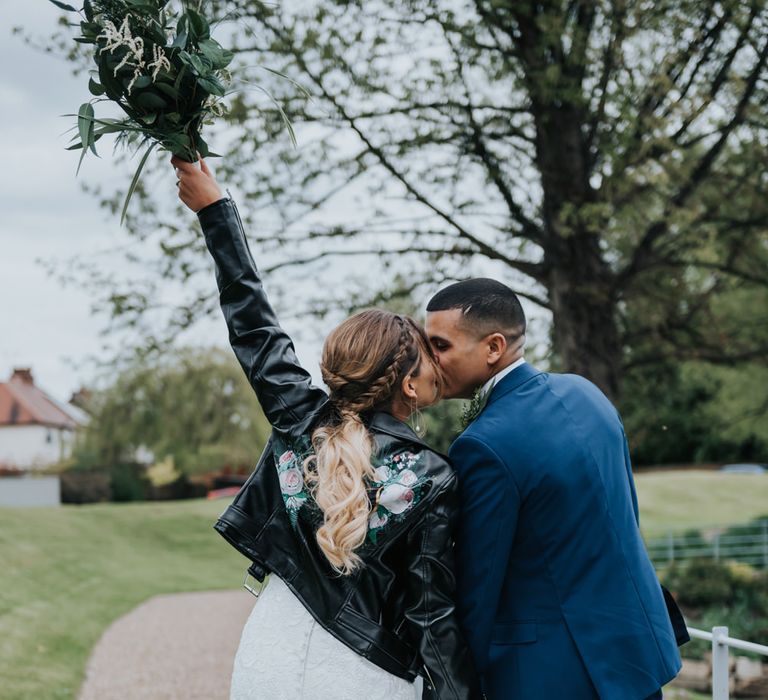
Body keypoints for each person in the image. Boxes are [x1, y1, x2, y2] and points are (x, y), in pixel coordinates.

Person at [172, 156, 480, 700]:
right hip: (363, 674)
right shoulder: (433, 478)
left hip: (267, 656)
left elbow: (252, 320)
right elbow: (432, 616)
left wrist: (215, 210)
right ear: (408, 385)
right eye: (429, 355)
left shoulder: (299, 418)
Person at [425, 278, 684, 700]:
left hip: (553, 675)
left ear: (493, 348)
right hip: (635, 653)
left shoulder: (482, 445)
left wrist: (457, 681)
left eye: (440, 345)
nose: (430, 359)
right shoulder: (587, 394)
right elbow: (624, 516)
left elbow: (479, 585)